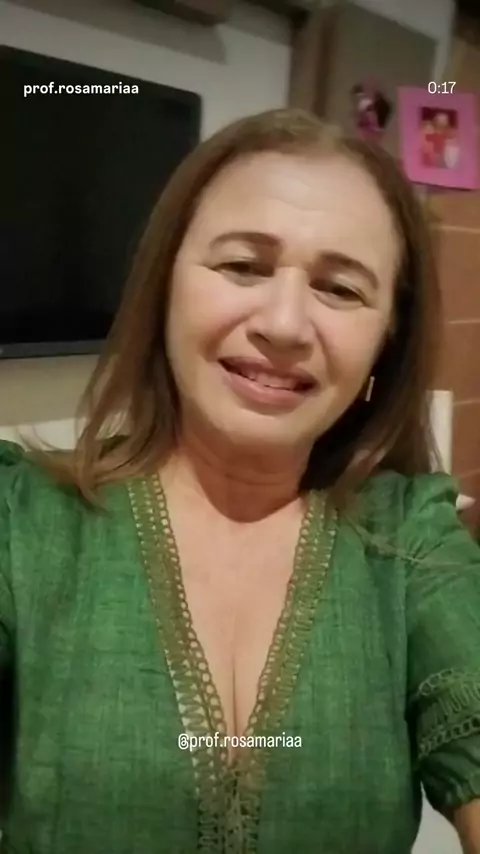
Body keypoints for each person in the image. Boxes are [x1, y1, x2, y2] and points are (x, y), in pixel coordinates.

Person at [1, 108, 480, 854]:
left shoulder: (410, 539)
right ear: (165, 284)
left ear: (386, 338)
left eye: (340, 289)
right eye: (243, 267)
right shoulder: (22, 523)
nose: (284, 324)